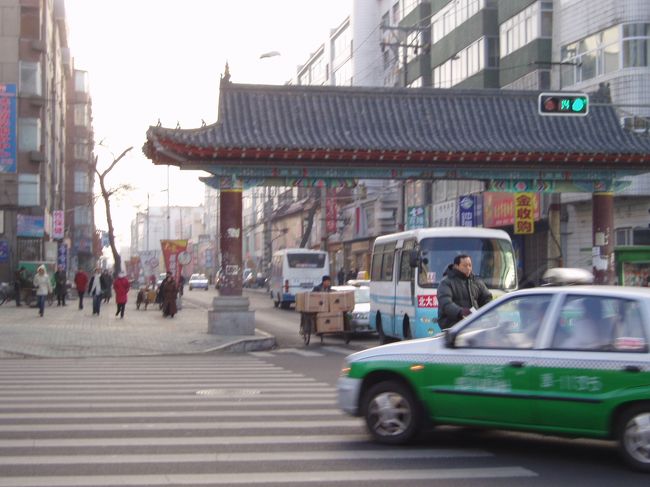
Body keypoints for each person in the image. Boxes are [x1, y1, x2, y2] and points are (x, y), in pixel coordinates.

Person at [437, 254, 492, 330]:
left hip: (475, 326)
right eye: (465, 266)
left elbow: (486, 298)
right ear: (456, 266)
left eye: (470, 265)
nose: (468, 268)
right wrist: (460, 312)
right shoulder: (446, 282)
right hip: (454, 327)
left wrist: (492, 312)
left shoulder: (476, 281)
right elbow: (446, 303)